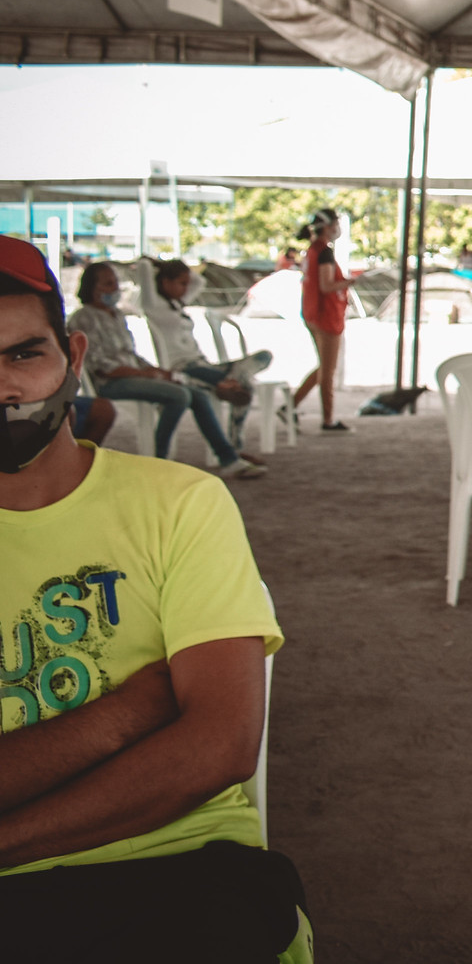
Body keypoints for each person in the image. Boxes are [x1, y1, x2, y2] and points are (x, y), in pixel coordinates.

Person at [0, 237, 307, 959]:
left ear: (74, 357)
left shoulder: (180, 504)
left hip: (183, 865)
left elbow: (222, 744)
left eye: (23, 355)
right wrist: (127, 714)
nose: (5, 389)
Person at [68, 263, 266, 480]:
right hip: (112, 381)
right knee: (179, 395)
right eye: (108, 283)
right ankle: (160, 459)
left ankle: (228, 458)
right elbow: (101, 366)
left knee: (198, 396)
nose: (114, 288)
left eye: (115, 282)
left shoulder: (116, 315)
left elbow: (130, 354)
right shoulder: (84, 317)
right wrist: (145, 374)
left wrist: (153, 370)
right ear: (91, 287)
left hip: (136, 373)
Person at [140, 259, 273, 461]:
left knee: (264, 356)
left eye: (186, 283)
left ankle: (230, 381)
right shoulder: (154, 307)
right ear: (165, 282)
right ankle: (234, 445)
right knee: (246, 387)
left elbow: (199, 281)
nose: (186, 288)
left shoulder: (178, 304)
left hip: (203, 364)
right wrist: (156, 264)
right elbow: (143, 269)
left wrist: (174, 268)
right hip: (183, 367)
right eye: (180, 283)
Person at [290, 209, 351, 433]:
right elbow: (326, 286)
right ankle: (328, 419)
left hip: (313, 313)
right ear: (327, 226)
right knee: (328, 369)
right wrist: (349, 284)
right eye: (335, 223)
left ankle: (291, 405)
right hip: (326, 316)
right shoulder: (323, 252)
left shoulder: (313, 251)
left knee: (324, 367)